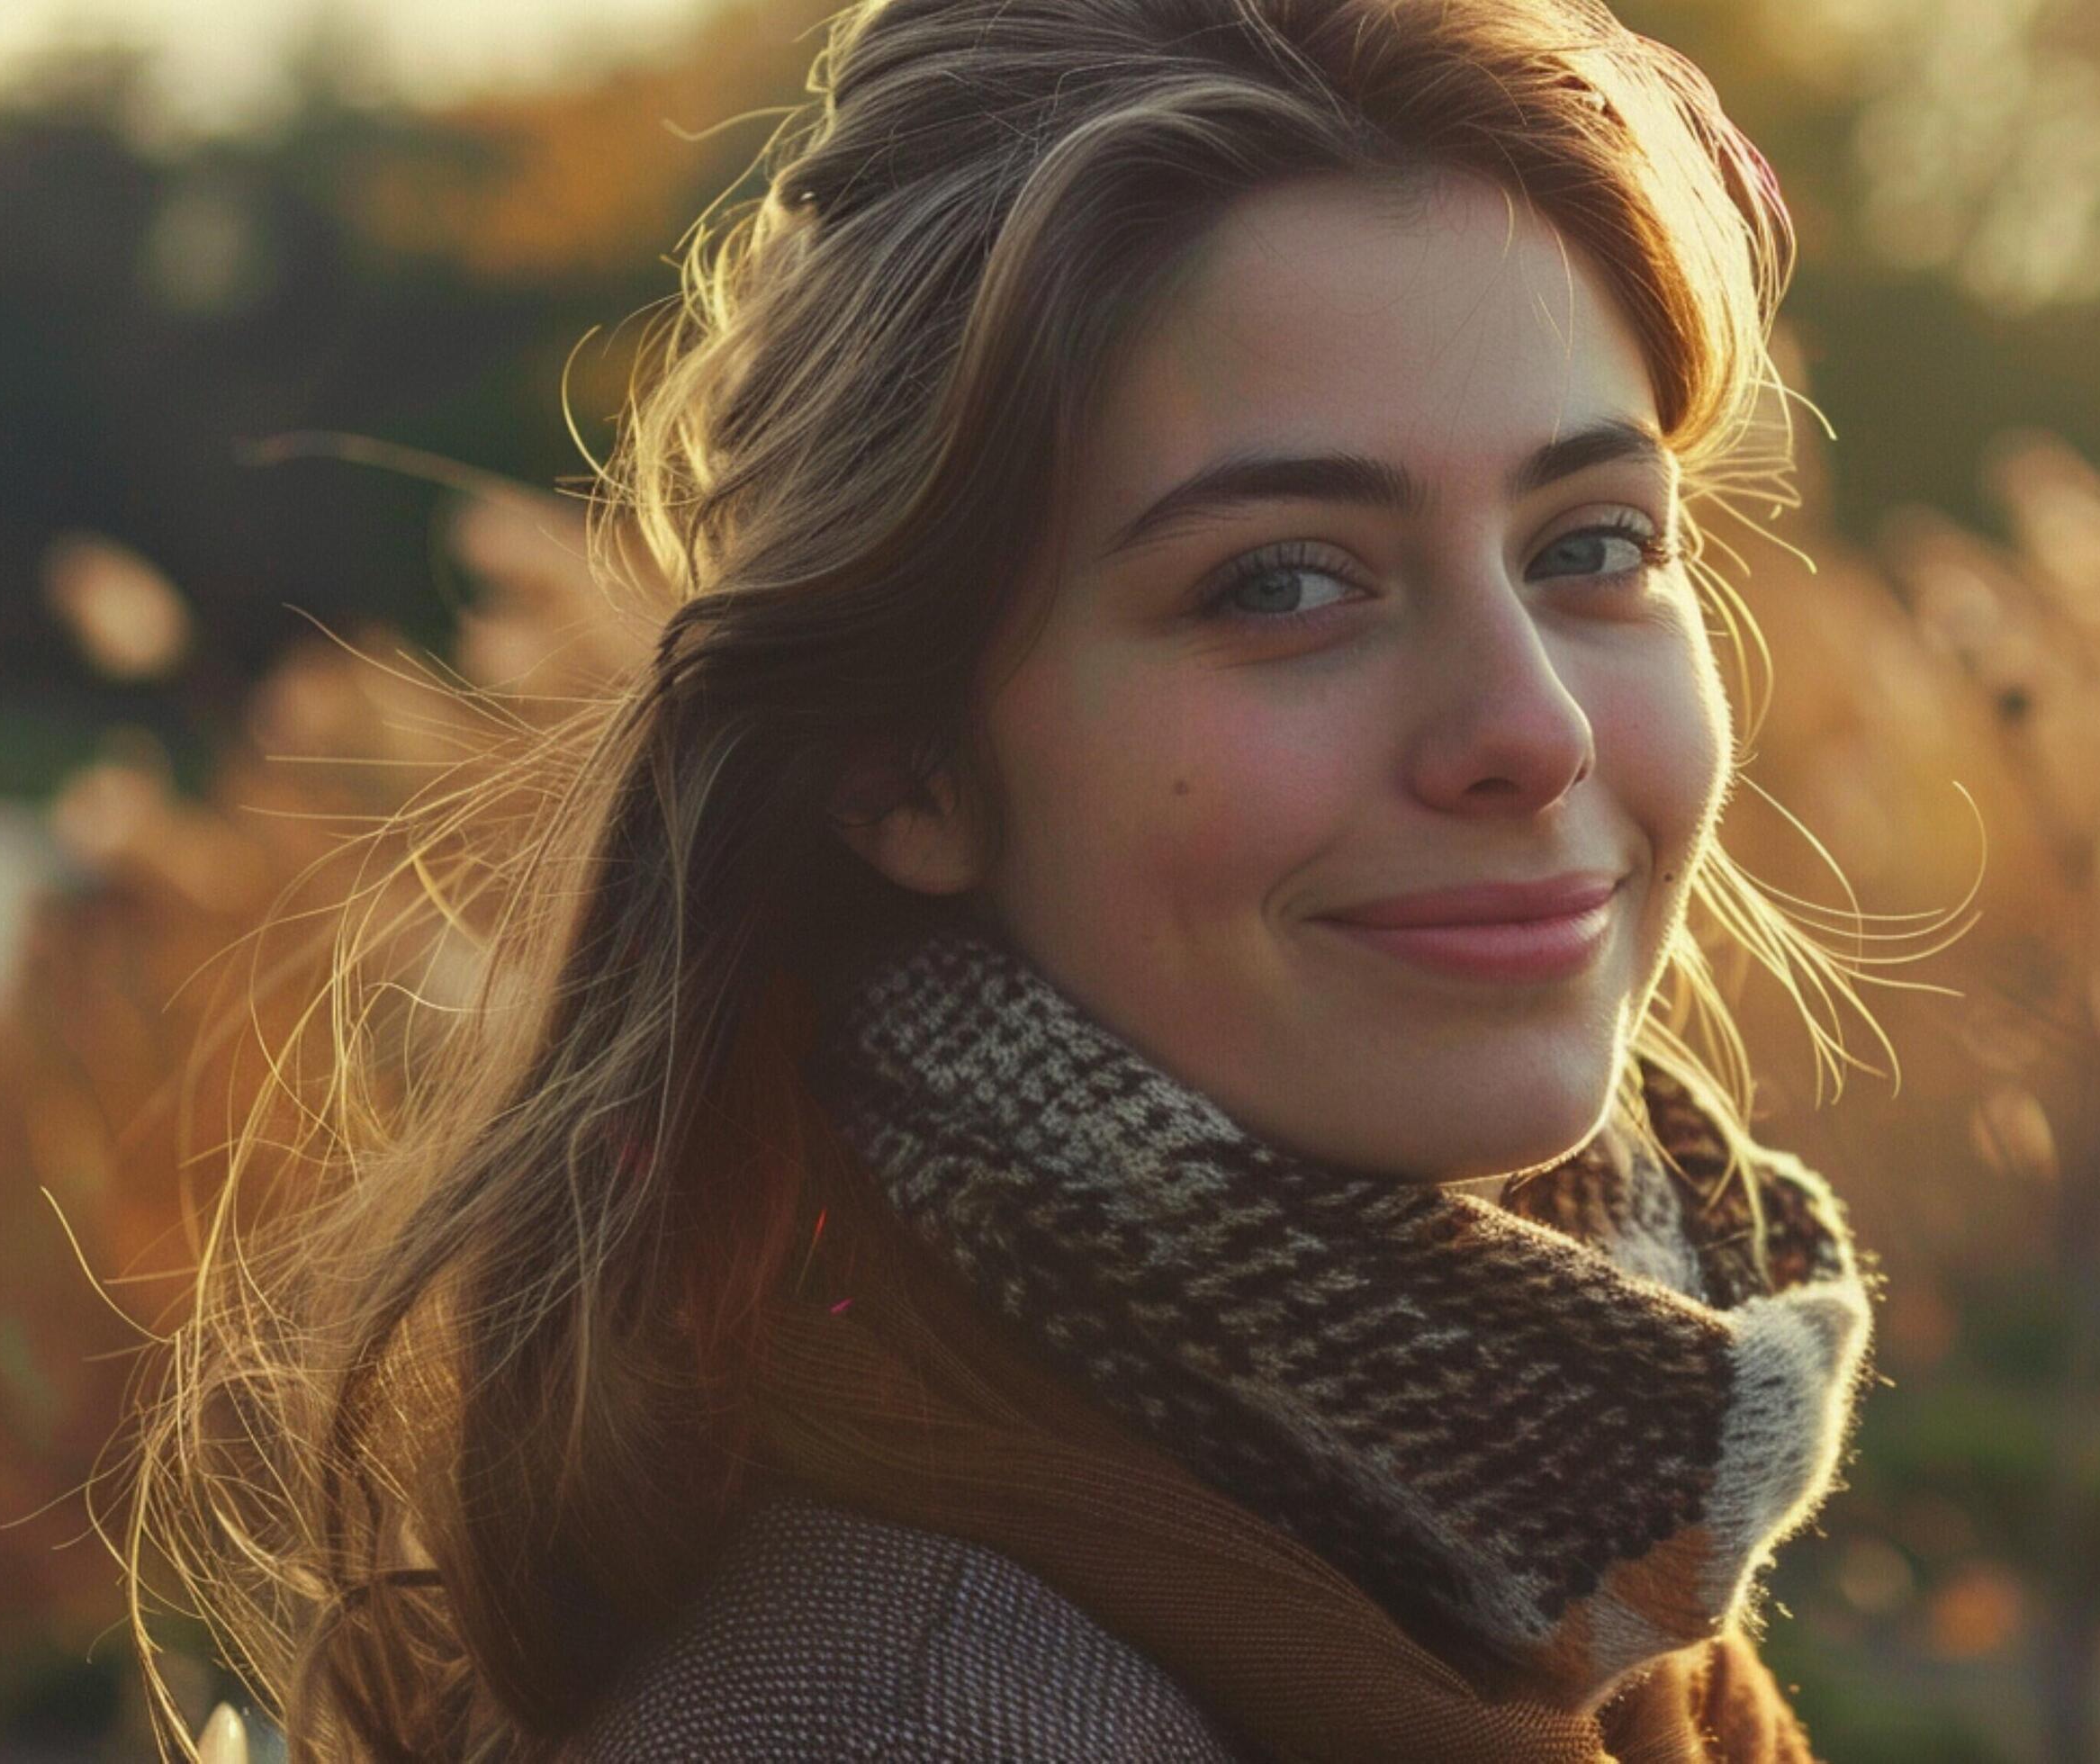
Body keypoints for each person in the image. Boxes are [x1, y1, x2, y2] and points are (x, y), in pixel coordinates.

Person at [117, 0, 1913, 1755]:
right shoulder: (922, 1712)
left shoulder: (1537, 1488)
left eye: (1593, 543)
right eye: (1282, 582)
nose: (1532, 725)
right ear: (902, 761)